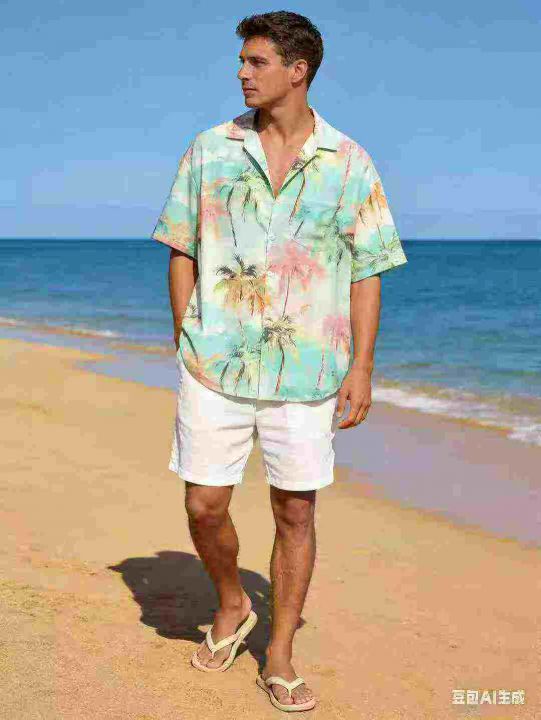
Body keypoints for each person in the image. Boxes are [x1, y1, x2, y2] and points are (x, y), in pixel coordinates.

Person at [151, 10, 408, 713]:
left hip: (309, 371)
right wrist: (186, 332)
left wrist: (361, 368)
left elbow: (367, 270)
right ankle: (233, 602)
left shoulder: (349, 161)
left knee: (295, 509)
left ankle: (281, 652)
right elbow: (181, 247)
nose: (241, 72)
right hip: (214, 362)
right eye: (242, 60)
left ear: (298, 71)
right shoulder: (210, 148)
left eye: (256, 61)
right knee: (204, 503)